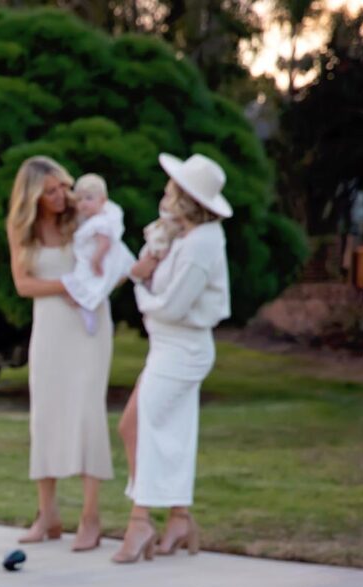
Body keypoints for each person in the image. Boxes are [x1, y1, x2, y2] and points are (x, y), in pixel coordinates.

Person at [114, 153, 232, 563]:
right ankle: (179, 518)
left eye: (173, 187)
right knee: (133, 427)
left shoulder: (204, 242)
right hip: (164, 346)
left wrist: (140, 292)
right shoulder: (179, 234)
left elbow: (173, 306)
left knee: (144, 428)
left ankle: (140, 521)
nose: (166, 192)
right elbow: (146, 269)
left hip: (184, 349)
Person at [7, 155, 115, 553]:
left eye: (62, 187)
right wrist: (67, 286)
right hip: (50, 326)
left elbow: (112, 239)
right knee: (46, 414)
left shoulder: (83, 215)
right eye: (50, 191)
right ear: (33, 195)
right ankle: (47, 515)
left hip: (89, 327)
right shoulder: (22, 228)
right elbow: (23, 284)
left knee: (88, 414)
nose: (60, 196)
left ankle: (91, 517)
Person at [62, 173, 137, 334]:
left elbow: (105, 243)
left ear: (102, 200)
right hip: (91, 256)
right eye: (79, 199)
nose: (83, 204)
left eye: (89, 198)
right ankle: (84, 304)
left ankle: (87, 306)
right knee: (84, 283)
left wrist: (96, 259)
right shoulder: (91, 219)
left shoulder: (102, 221)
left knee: (87, 281)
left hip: (97, 259)